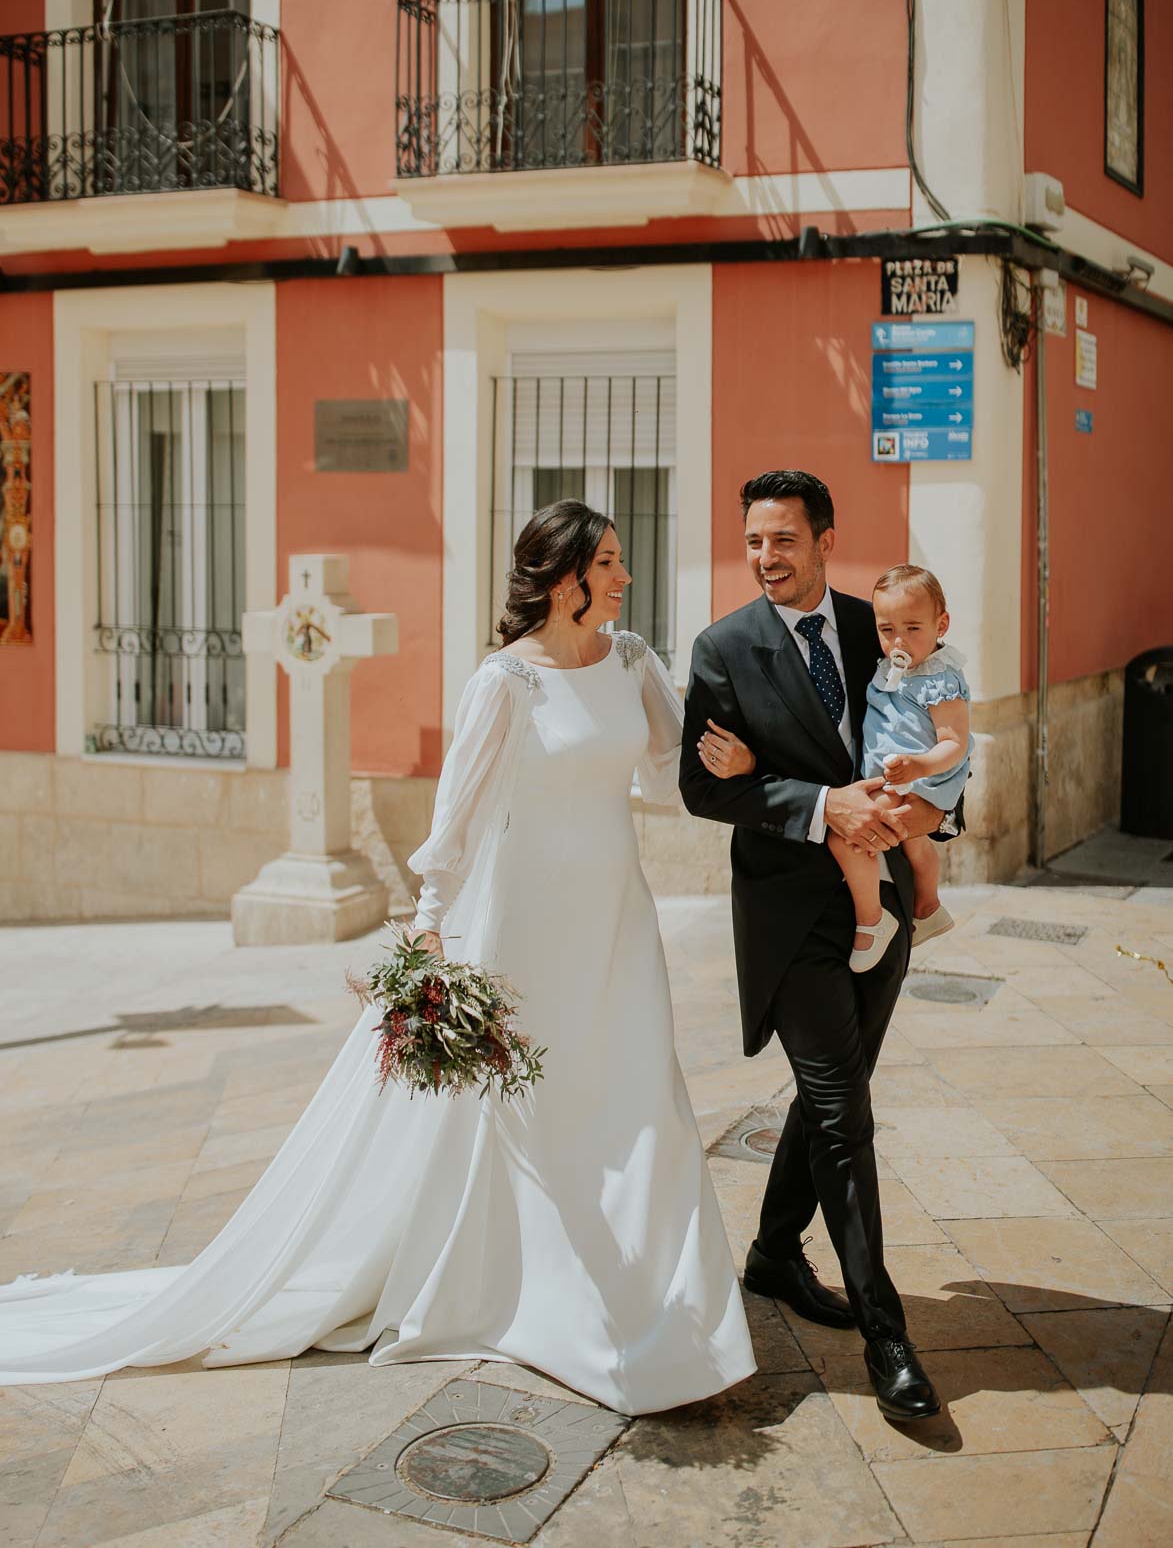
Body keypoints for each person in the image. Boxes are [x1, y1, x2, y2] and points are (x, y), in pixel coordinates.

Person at [0, 502, 757, 1418]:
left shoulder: (631, 659)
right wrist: (432, 929)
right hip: (525, 925)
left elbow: (664, 774)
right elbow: (457, 821)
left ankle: (669, 1319)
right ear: (565, 580)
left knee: (646, 1103)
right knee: (537, 1110)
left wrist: (732, 757)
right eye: (608, 561)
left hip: (617, 920)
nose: (624, 577)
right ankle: (544, 1293)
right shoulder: (504, 684)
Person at [680, 470, 961, 1423]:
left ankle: (770, 1252)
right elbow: (702, 789)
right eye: (755, 540)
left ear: (825, 540)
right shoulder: (722, 648)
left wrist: (924, 818)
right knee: (844, 1113)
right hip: (791, 910)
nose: (766, 557)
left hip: (877, 898)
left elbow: (932, 726)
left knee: (832, 1089)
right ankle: (887, 1332)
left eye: (784, 540)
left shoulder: (875, 622)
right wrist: (812, 804)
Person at [828, 564, 971, 968]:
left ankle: (872, 920)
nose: (898, 641)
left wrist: (918, 766)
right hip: (895, 778)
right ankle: (927, 907)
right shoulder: (894, 667)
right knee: (914, 845)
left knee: (848, 837)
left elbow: (954, 744)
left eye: (913, 628)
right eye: (887, 630)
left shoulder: (940, 679)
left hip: (921, 780)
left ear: (941, 624)